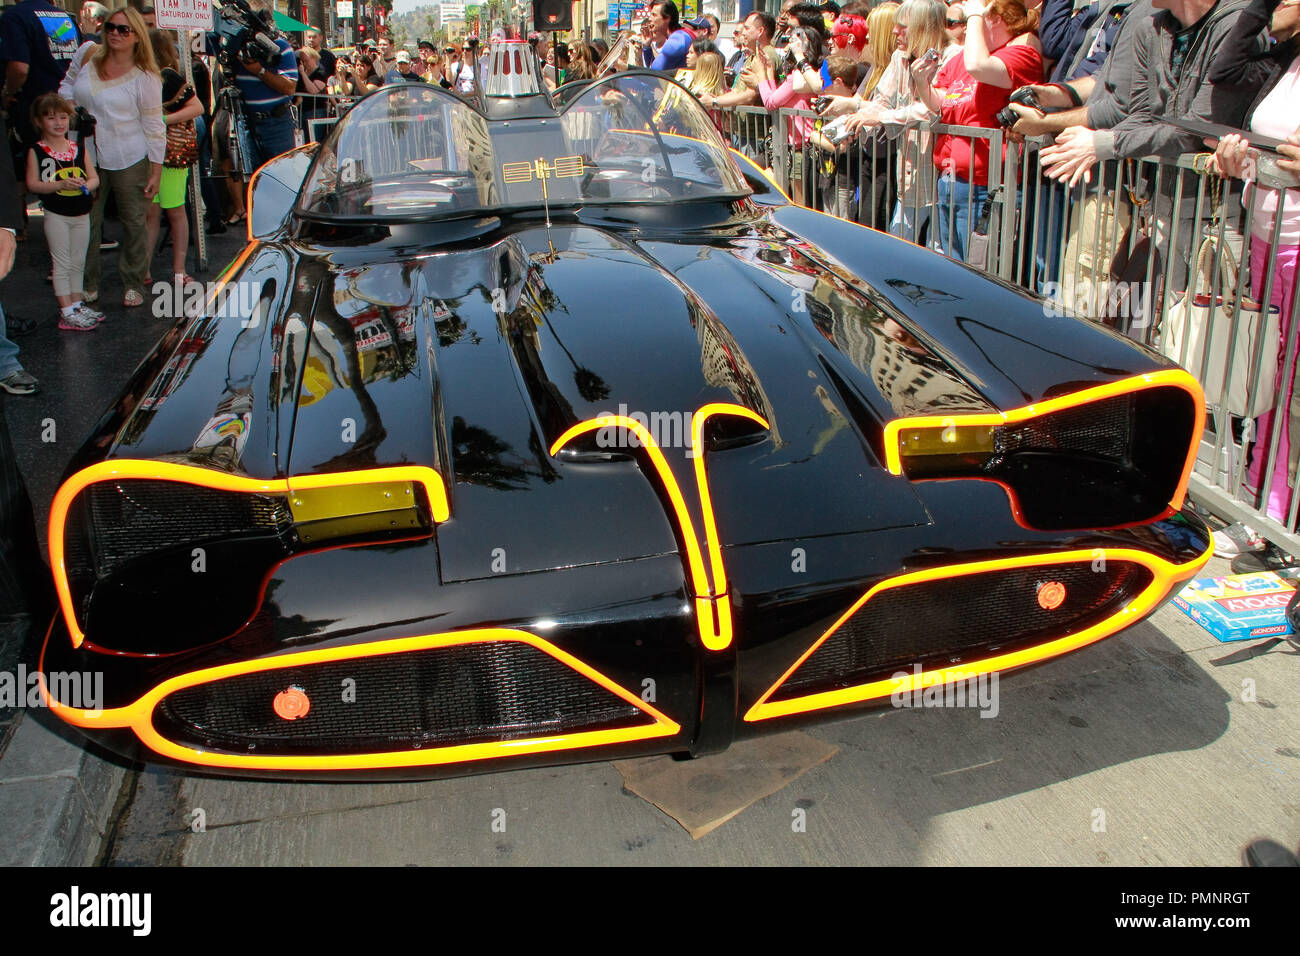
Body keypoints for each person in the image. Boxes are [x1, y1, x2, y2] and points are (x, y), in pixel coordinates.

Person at [1207, 0, 1300, 527]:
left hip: (1296, 244)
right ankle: (1259, 492)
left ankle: (1277, 509)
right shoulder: (1285, 58)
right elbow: (1226, 70)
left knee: (1292, 384)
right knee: (1270, 371)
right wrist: (1241, 162)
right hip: (1265, 237)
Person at [918, 0, 1043, 260]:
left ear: (994, 18)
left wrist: (975, 12)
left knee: (979, 271)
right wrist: (920, 81)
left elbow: (978, 67)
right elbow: (942, 102)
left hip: (986, 187)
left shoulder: (1020, 54)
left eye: (971, 19)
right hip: (952, 180)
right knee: (952, 266)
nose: (965, 27)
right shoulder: (964, 59)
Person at [61, 5, 163, 308]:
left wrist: (156, 169)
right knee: (85, 220)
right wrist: (70, 110)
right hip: (85, 153)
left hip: (129, 155)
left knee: (133, 221)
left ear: (136, 36)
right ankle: (87, 283)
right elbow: (66, 85)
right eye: (110, 27)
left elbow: (154, 126)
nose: (115, 33)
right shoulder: (88, 54)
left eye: (123, 29)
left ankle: (133, 282)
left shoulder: (146, 77)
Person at [0, 0, 82, 237]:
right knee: (65, 164)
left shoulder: (15, 17)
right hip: (67, 103)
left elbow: (20, 68)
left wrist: (9, 92)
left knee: (24, 163)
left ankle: (18, 225)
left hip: (34, 105)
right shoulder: (64, 17)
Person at [25, 92, 100, 330]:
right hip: (56, 213)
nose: (58, 123)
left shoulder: (78, 149)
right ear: (39, 121)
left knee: (78, 259)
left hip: (81, 212)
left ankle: (77, 304)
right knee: (62, 261)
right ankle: (66, 309)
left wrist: (85, 186)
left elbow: (94, 178)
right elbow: (32, 184)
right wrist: (58, 185)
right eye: (50, 118)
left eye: (62, 117)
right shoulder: (36, 151)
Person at [142, 28, 199, 295]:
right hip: (161, 154)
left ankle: (173, 269)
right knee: (163, 212)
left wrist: (161, 121)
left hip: (167, 154)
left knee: (165, 212)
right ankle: (162, 269)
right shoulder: (146, 75)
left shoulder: (167, 76)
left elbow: (196, 107)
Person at [223, 0, 298, 172]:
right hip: (246, 121)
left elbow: (289, 87)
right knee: (252, 180)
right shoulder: (236, 46)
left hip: (276, 123)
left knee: (282, 177)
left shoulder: (280, 46)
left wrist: (259, 71)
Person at [634, 2, 697, 72]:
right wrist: (647, 46)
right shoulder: (681, 35)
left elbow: (654, 72)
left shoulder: (676, 40)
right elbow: (654, 70)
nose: (649, 19)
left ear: (667, 18)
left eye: (654, 15)